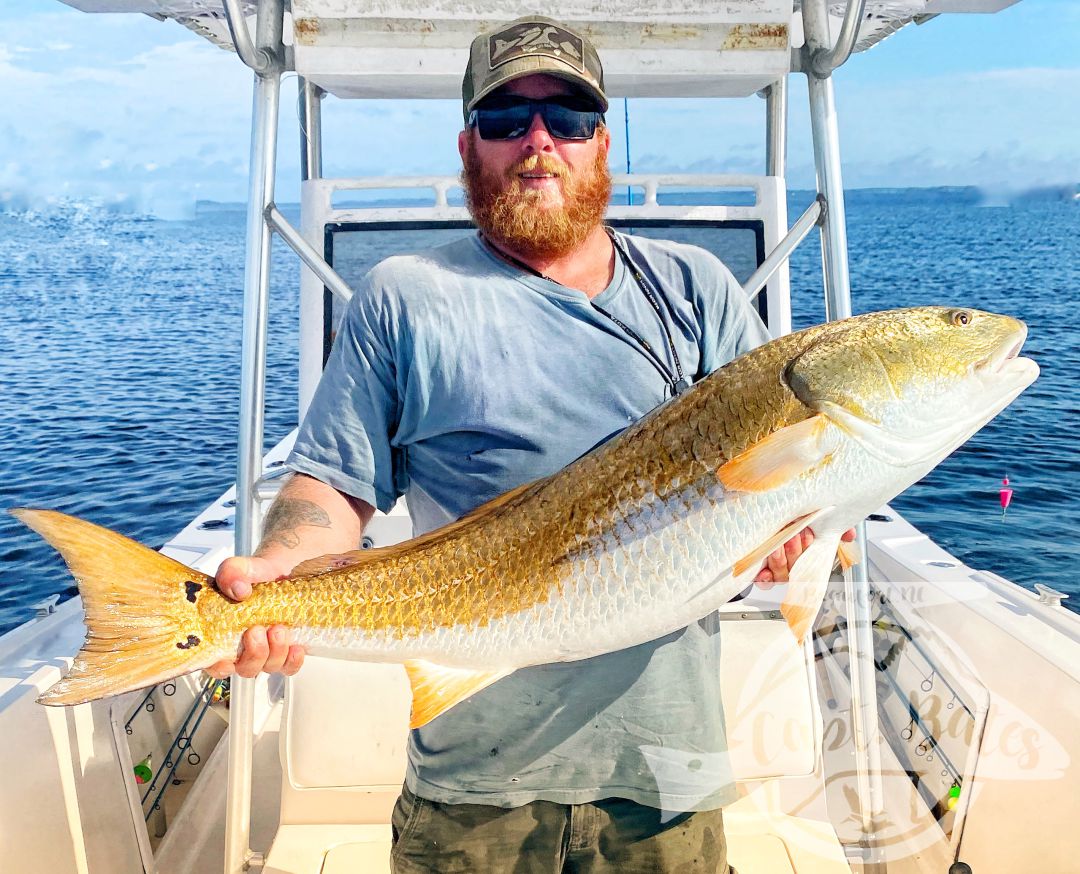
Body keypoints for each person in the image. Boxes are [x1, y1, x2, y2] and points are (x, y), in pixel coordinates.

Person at [210, 16, 851, 872]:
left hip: (666, 782)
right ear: (470, 146)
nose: (539, 143)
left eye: (569, 120)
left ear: (602, 143)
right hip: (471, 796)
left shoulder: (696, 289)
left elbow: (771, 486)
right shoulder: (404, 297)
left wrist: (791, 540)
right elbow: (331, 486)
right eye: (507, 121)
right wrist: (281, 571)